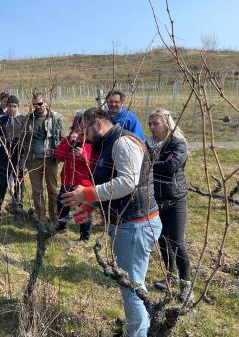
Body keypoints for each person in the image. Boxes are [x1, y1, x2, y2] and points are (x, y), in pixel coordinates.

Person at [61, 108, 162, 337]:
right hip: (126, 223)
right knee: (131, 284)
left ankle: (137, 333)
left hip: (136, 224)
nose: (83, 137)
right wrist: (90, 206)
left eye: (84, 130)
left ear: (97, 124)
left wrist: (86, 194)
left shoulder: (122, 143)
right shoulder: (108, 144)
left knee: (132, 287)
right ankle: (138, 326)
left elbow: (128, 183)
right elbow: (111, 183)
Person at [147, 108, 193, 302]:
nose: (151, 128)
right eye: (149, 124)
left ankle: (187, 286)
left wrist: (150, 164)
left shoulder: (178, 143)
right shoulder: (151, 145)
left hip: (175, 200)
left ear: (167, 124)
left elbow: (170, 167)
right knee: (162, 241)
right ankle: (171, 276)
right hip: (157, 199)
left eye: (155, 124)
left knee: (177, 242)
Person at [19, 93, 64, 227]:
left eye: (40, 104)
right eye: (35, 104)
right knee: (37, 191)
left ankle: (55, 217)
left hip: (50, 159)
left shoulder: (56, 118)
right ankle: (41, 218)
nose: (37, 107)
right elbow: (22, 139)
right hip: (33, 160)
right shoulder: (28, 119)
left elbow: (61, 138)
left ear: (46, 103)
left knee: (53, 189)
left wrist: (59, 155)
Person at [54, 110, 93, 240]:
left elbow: (93, 161)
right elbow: (59, 155)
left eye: (81, 123)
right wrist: (70, 141)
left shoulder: (91, 140)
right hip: (67, 179)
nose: (78, 126)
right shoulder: (70, 138)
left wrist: (82, 155)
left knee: (82, 209)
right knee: (62, 203)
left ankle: (84, 236)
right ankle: (61, 226)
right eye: (76, 123)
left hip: (83, 181)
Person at [0, 95, 26, 220]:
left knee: (19, 183)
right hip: (4, 158)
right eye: (9, 106)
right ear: (7, 106)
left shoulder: (23, 120)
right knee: (1, 184)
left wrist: (23, 154)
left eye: (14, 106)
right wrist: (3, 148)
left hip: (19, 158)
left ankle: (18, 209)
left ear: (18, 107)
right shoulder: (0, 120)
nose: (12, 108)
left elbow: (28, 140)